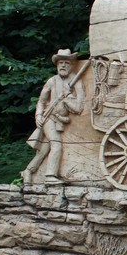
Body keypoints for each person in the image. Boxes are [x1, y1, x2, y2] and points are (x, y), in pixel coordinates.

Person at [22, 49, 86, 184]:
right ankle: (50, 176)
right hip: (49, 117)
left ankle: (28, 172)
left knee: (45, 149)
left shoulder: (77, 82)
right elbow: (41, 101)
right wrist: (38, 115)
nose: (63, 65)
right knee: (56, 144)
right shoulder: (52, 81)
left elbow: (79, 108)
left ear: (72, 65)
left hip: (61, 121)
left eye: (66, 62)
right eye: (60, 62)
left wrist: (68, 96)